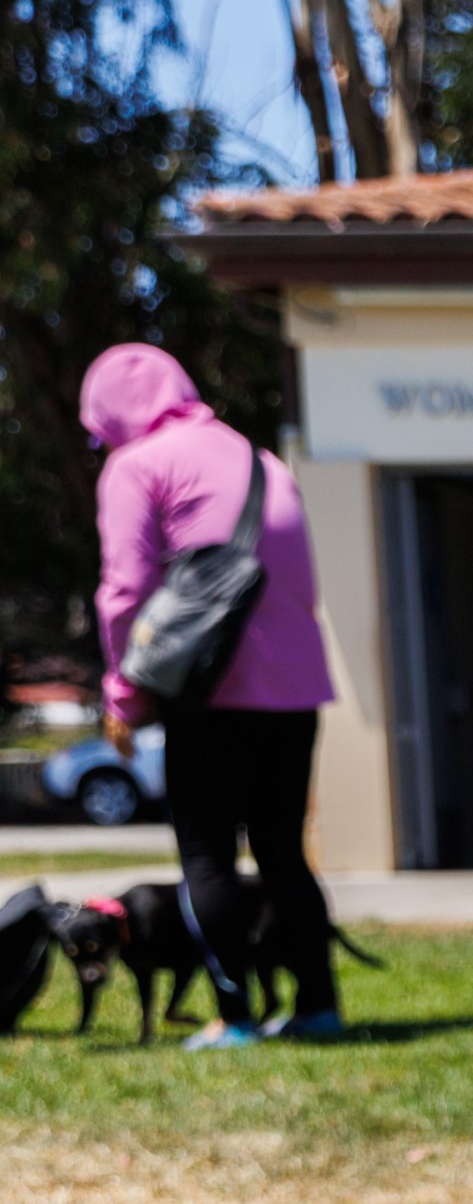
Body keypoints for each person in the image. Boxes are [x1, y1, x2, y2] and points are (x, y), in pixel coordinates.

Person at [82, 342, 343, 1047]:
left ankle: (236, 1015)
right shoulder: (265, 463)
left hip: (210, 693)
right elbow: (302, 585)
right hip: (296, 691)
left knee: (207, 856)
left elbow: (124, 593)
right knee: (283, 852)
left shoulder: (136, 466)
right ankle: (319, 1006)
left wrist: (123, 695)